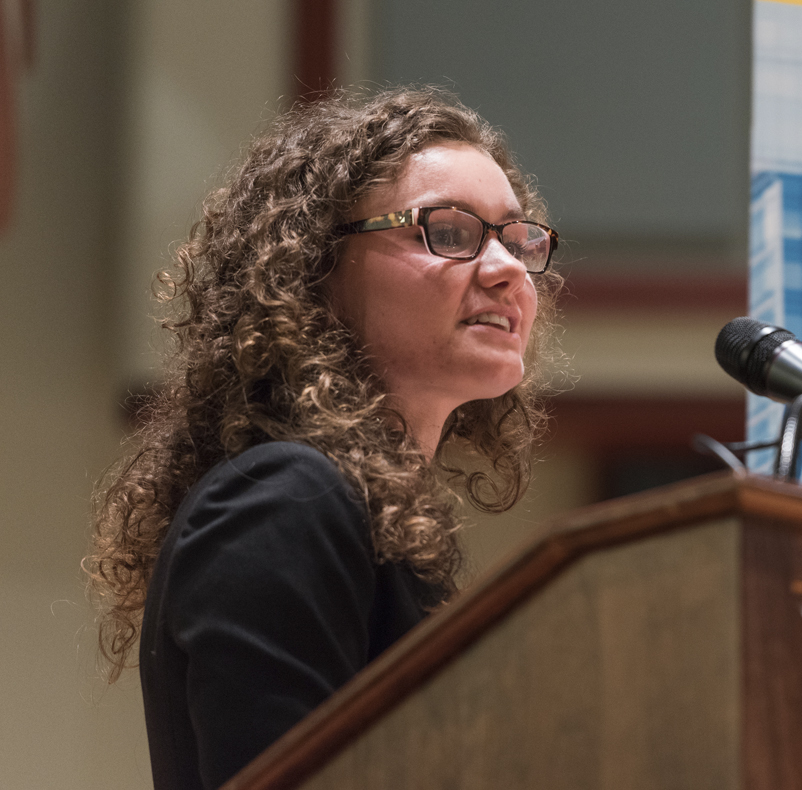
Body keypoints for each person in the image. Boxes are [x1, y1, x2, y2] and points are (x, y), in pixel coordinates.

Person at [85, 87, 563, 790]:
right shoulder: (284, 501)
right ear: (313, 267)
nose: (507, 269)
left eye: (518, 240)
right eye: (451, 232)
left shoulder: (380, 521)